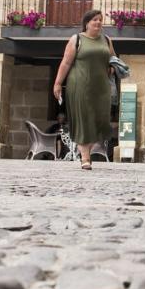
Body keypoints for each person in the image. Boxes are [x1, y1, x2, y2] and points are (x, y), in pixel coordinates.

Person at [52, 9, 118, 170]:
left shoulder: (107, 40)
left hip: (101, 87)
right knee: (83, 120)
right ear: (87, 23)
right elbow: (66, 63)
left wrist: (112, 68)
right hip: (79, 86)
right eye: (94, 19)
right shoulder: (77, 39)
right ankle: (85, 157)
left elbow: (113, 60)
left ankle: (86, 152)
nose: (98, 22)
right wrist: (58, 83)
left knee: (98, 121)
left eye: (100, 20)